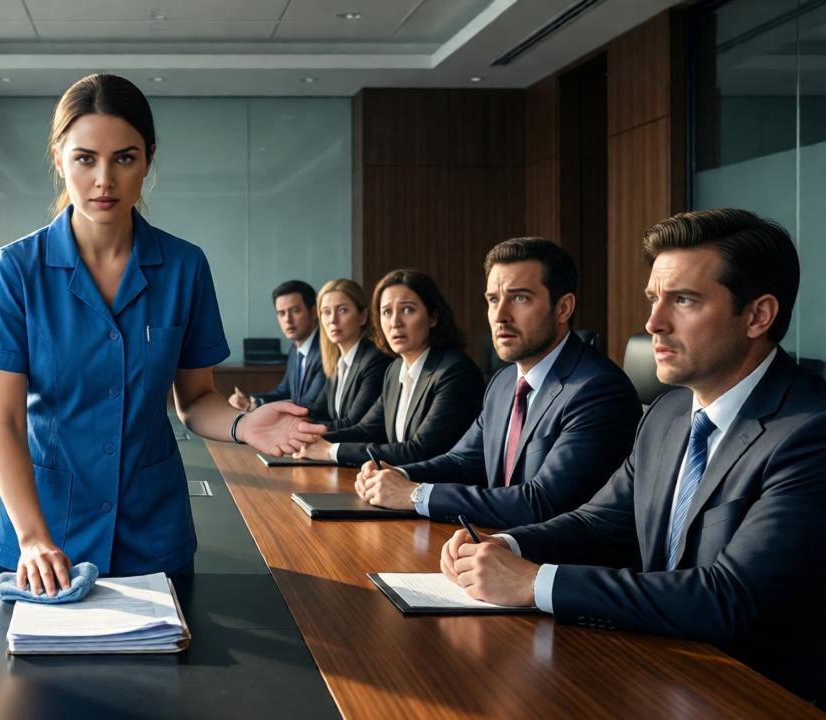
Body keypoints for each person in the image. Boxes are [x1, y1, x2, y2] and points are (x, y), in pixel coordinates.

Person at [443, 209, 826, 703]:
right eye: (653, 299)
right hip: (655, 669)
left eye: (683, 301)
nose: (653, 323)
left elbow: (729, 598)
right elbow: (597, 524)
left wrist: (535, 583)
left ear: (758, 315)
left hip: (755, 695)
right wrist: (505, 548)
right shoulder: (666, 414)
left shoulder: (809, 432)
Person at [0, 74, 323, 595]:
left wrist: (246, 425)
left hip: (150, 529)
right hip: (40, 538)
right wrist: (32, 538)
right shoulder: (15, 270)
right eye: (85, 158)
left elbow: (196, 399)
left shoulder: (184, 267)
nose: (104, 179)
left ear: (148, 161)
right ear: (59, 158)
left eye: (125, 158)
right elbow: (4, 423)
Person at [356, 238, 640, 528]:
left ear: (563, 308)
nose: (500, 316)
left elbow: (541, 503)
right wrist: (397, 475)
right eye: (493, 300)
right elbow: (462, 462)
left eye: (519, 298)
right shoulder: (503, 382)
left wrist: (416, 495)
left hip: (547, 564)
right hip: (488, 549)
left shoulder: (598, 390)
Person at [295, 269, 483, 466]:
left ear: (433, 317)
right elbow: (366, 430)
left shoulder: (455, 371)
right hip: (395, 486)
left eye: (408, 310)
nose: (395, 323)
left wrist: (331, 451)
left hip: (437, 492)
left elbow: (420, 451)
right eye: (387, 312)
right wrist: (306, 439)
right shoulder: (394, 370)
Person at [305, 278, 389, 431]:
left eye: (342, 310)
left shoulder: (375, 359)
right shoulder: (338, 362)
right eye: (326, 312)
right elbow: (317, 410)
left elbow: (354, 423)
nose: (333, 320)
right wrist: (284, 421)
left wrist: (300, 430)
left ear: (362, 316)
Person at [228, 280, 324, 409]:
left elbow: (309, 405)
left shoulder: (326, 352)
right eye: (281, 313)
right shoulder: (295, 349)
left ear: (314, 312)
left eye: (295, 310)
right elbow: (283, 393)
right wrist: (252, 401)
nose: (287, 320)